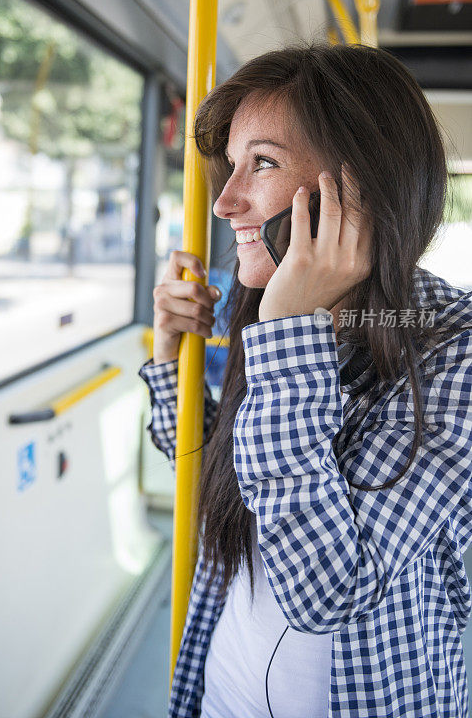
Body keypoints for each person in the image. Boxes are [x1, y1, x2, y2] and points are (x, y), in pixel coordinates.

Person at [138, 44, 472, 718]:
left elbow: (327, 590)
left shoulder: (455, 348)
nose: (227, 201)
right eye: (231, 167)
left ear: (366, 185)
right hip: (221, 686)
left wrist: (290, 330)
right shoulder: (259, 310)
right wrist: (172, 358)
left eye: (262, 163)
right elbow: (213, 478)